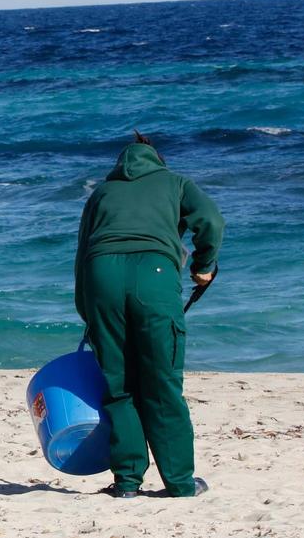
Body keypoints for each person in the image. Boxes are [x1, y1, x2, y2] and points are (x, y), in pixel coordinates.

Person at [75, 132, 224, 499]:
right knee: (161, 382)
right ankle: (178, 482)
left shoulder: (102, 193)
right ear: (158, 159)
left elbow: (81, 254)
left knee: (118, 384)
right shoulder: (176, 183)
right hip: (154, 276)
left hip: (101, 277)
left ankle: (127, 482)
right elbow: (211, 222)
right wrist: (204, 266)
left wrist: (89, 312)